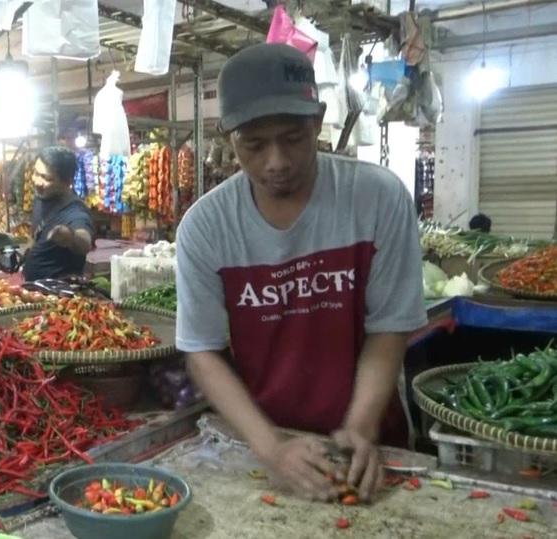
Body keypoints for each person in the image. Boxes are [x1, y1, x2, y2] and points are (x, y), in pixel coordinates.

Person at [175, 44, 426, 505]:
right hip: (266, 438)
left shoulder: (377, 198)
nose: (276, 162)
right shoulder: (206, 226)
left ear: (318, 120)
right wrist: (271, 447)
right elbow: (202, 351)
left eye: (293, 138)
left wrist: (359, 428)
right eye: (253, 144)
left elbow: (388, 328)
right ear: (227, 136)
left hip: (371, 438)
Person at [22, 146, 93, 282]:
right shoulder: (41, 197)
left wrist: (70, 237)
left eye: (46, 178)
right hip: (34, 289)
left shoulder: (75, 211)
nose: (37, 182)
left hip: (60, 296)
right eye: (36, 173)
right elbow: (37, 235)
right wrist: (24, 255)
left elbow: (85, 242)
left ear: (67, 181)